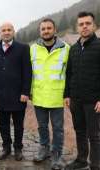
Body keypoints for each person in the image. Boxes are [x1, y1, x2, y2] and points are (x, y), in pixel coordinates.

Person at [64, 12, 100, 170]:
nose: (84, 26)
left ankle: (95, 166)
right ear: (77, 27)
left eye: (88, 23)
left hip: (94, 101)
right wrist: (67, 95)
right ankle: (81, 160)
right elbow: (69, 74)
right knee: (79, 131)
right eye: (81, 24)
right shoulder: (73, 49)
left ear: (94, 25)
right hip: (76, 100)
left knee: (93, 135)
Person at [30, 18, 70, 170]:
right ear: (40, 31)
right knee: (42, 126)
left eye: (49, 28)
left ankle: (57, 155)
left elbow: (70, 73)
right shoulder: (33, 49)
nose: (46, 31)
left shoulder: (66, 49)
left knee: (58, 128)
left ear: (55, 30)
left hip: (56, 97)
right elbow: (30, 73)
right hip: (39, 96)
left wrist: (67, 94)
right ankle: (44, 149)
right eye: (43, 29)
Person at [0, 22, 32, 161]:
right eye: (3, 30)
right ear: (0, 33)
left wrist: (25, 92)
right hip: (0, 95)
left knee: (19, 125)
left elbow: (27, 71)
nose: (6, 32)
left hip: (18, 95)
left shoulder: (23, 48)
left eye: (9, 30)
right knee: (3, 125)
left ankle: (18, 148)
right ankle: (6, 148)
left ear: (13, 32)